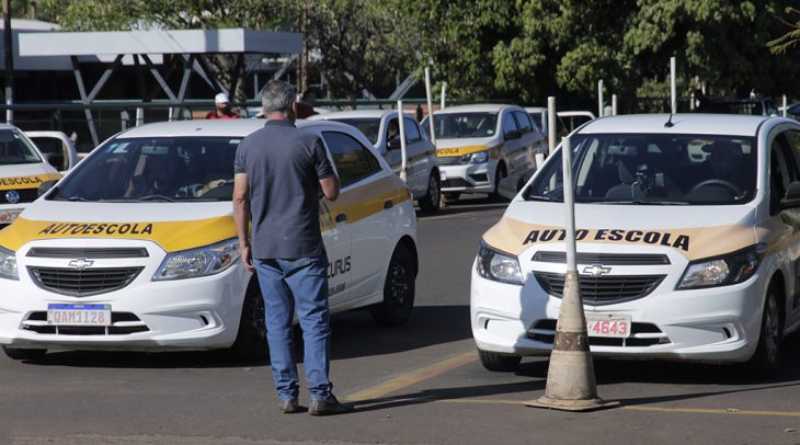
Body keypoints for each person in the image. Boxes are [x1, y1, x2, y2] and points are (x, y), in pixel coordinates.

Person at [232, 80, 351, 416]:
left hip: (265, 247)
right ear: (293, 107)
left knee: (277, 321)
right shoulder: (309, 141)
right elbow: (331, 192)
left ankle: (286, 394)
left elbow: (240, 197)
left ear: (265, 109)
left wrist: (244, 242)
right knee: (313, 320)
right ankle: (320, 394)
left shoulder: (248, 146)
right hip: (304, 245)